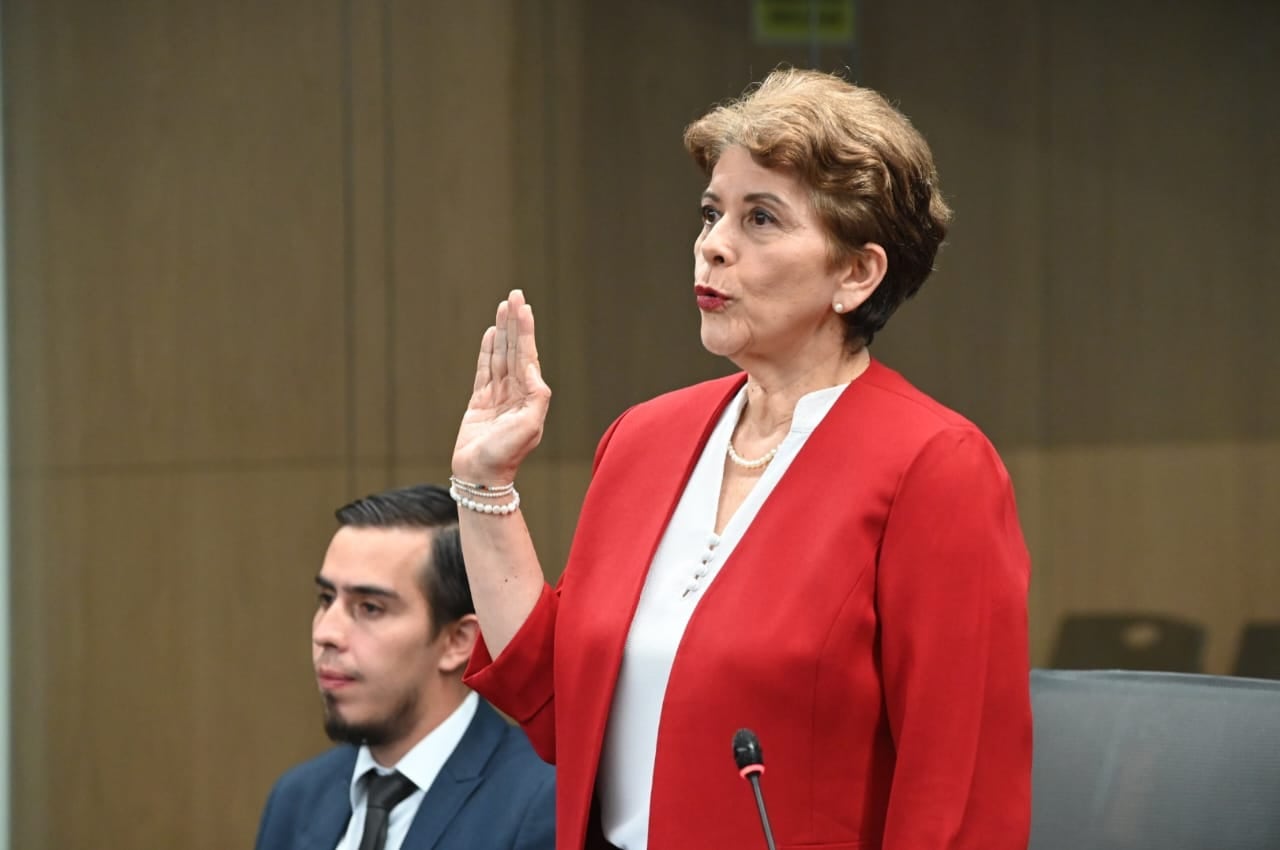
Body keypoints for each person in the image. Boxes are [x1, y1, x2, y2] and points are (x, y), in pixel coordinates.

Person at [451, 68, 1031, 850]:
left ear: (856, 273)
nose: (712, 246)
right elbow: (562, 705)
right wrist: (485, 485)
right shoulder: (643, 440)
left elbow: (959, 791)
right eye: (712, 212)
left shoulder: (935, 466)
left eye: (761, 219)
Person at [254, 484, 555, 850]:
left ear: (459, 641)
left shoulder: (539, 801)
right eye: (326, 598)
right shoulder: (296, 799)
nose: (326, 633)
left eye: (370, 608)